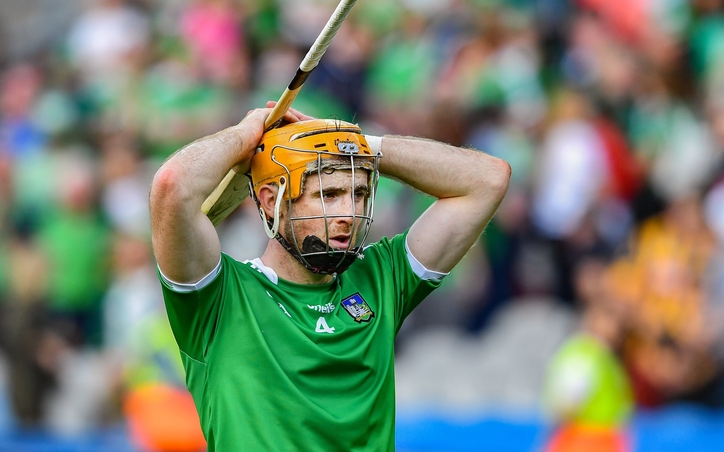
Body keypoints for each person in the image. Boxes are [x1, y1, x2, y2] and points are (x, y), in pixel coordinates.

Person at [148, 100, 511, 451]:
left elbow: (488, 179)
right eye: (329, 194)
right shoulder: (218, 297)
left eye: (359, 194)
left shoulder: (381, 278)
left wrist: (360, 146)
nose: (349, 213)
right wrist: (245, 135)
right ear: (272, 201)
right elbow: (172, 186)